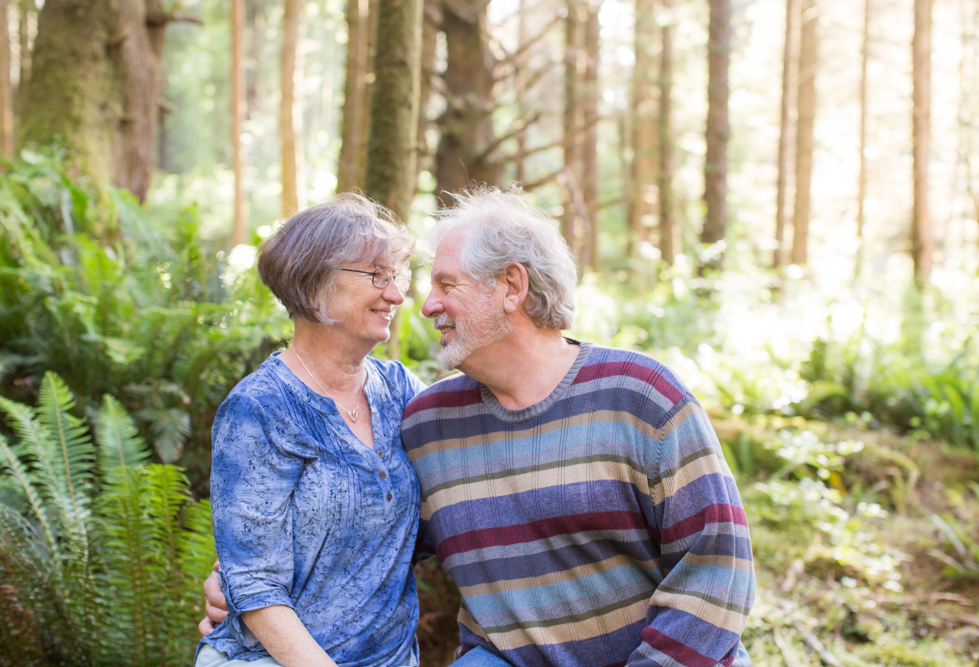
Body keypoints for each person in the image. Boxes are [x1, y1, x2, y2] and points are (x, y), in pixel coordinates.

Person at [204, 188, 755, 666]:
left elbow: (718, 567)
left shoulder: (638, 395)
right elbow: (362, 523)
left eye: (444, 284)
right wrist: (240, 577)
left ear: (511, 286)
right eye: (384, 277)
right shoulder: (432, 421)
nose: (419, 303)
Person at [195, 194, 426, 667]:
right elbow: (255, 582)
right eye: (377, 276)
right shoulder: (258, 409)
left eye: (395, 276)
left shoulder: (402, 391)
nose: (397, 295)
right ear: (315, 282)